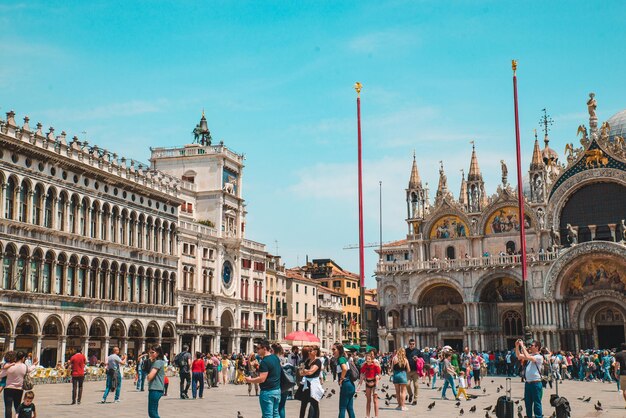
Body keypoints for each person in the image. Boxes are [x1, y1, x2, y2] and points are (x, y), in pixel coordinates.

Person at [245, 340, 282, 418]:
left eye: (258, 348)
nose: (256, 350)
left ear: (264, 348)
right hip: (277, 390)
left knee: (267, 416)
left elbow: (262, 379)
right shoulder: (275, 358)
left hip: (267, 392)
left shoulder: (264, 361)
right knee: (276, 414)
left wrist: (250, 380)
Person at [516, 339, 544, 418]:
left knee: (537, 403)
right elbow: (519, 356)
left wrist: (522, 346)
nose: (530, 347)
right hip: (528, 383)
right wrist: (517, 346)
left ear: (537, 347)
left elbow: (527, 356)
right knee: (527, 403)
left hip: (536, 383)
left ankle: (538, 417)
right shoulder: (531, 356)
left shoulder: (539, 357)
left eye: (532, 345)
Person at [3, 351, 36, 418]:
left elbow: (1, 375)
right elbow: (30, 369)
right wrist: (34, 364)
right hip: (19, 389)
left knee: (8, 407)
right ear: (23, 358)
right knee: (17, 407)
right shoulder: (24, 366)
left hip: (8, 388)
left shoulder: (10, 366)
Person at [299, 345, 323, 418]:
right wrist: (305, 371)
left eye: (310, 351)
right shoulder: (307, 361)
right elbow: (301, 372)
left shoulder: (317, 361)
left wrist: (305, 371)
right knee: (303, 404)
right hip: (306, 384)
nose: (308, 353)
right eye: (308, 351)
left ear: (315, 352)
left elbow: (311, 372)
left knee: (314, 403)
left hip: (314, 384)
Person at [271, 343, 294, 418]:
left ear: (273, 350)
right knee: (282, 406)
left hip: (277, 384)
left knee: (275, 408)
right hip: (286, 383)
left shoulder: (274, 359)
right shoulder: (285, 358)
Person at [333, 342, 355, 418]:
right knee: (350, 408)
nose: (332, 351)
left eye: (334, 349)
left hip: (345, 384)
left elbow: (344, 369)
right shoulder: (344, 358)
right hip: (351, 385)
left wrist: (341, 379)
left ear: (339, 350)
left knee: (342, 408)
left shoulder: (341, 359)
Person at [358, 352, 381, 418]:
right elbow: (362, 373)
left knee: (375, 400)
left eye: (368, 359)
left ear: (371, 359)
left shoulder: (375, 365)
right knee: (368, 400)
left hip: (374, 382)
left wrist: (376, 378)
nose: (367, 360)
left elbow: (379, 375)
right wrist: (364, 380)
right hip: (368, 382)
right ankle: (367, 415)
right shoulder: (364, 365)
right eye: (366, 359)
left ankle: (376, 416)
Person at [146, 345, 166, 418]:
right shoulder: (158, 362)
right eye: (150, 352)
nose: (150, 354)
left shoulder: (157, 362)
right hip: (157, 389)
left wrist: (148, 376)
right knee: (153, 411)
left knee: (152, 413)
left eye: (152, 352)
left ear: (158, 353)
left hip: (155, 389)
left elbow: (150, 376)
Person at [404, 339, 420, 403]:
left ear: (415, 344)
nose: (412, 345)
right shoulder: (406, 351)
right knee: (407, 384)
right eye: (411, 344)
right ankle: (410, 394)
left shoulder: (417, 351)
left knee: (416, 385)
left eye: (413, 344)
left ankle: (415, 399)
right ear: (409, 344)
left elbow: (422, 358)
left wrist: (417, 359)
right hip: (408, 371)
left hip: (415, 371)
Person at [615, 343, 626, 408]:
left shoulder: (618, 354)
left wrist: (616, 373)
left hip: (623, 373)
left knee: (624, 390)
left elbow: (617, 364)